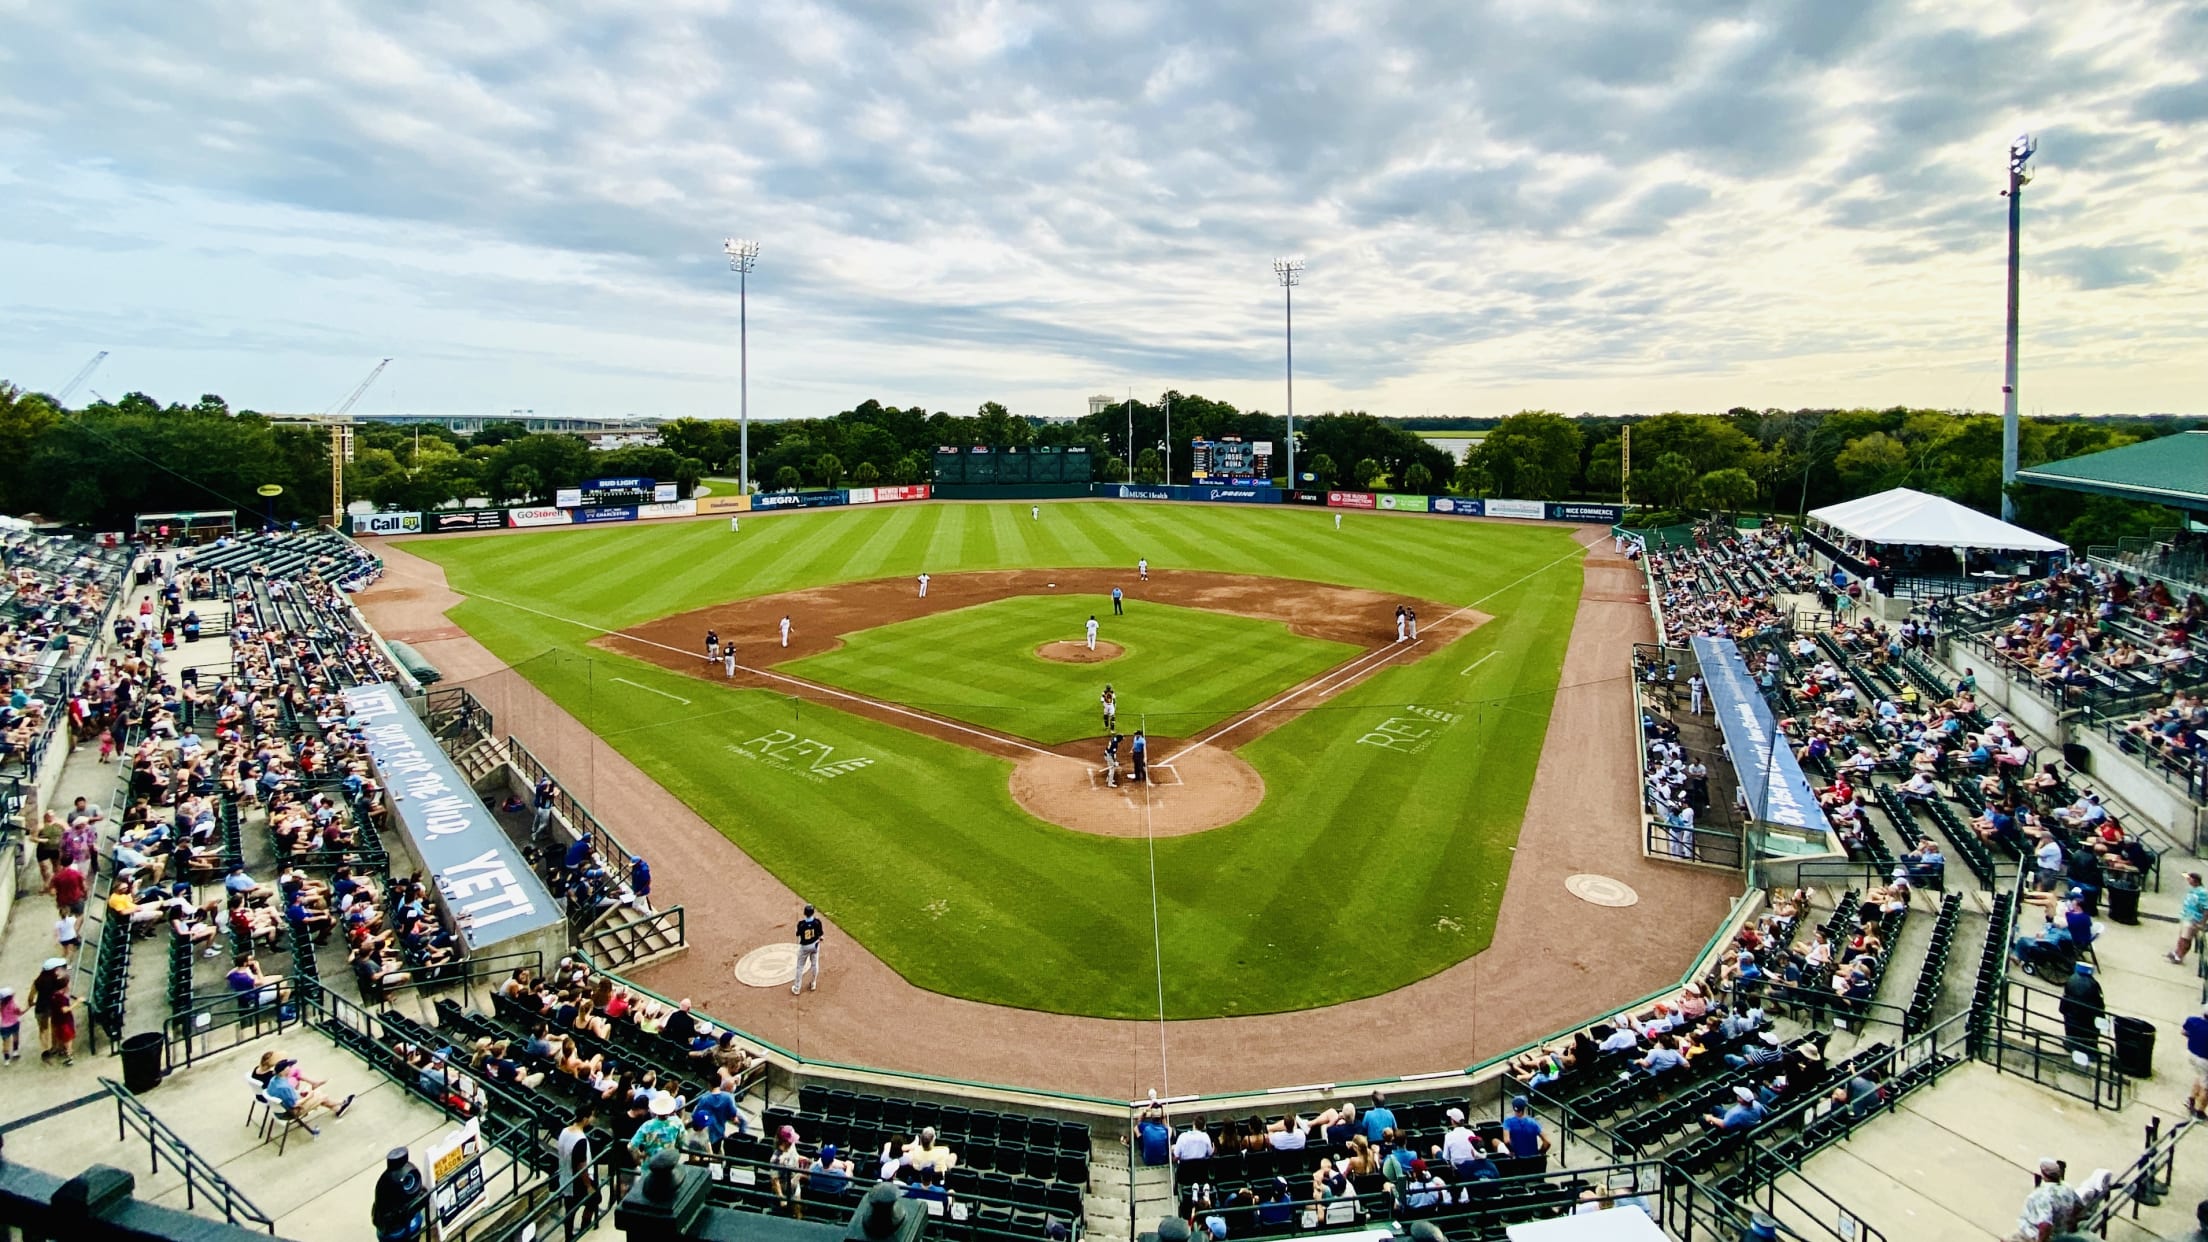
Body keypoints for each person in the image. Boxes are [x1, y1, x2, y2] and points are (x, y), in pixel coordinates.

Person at [2012, 1157, 2084, 1241]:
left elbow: (2045, 1225)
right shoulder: (2067, 1188)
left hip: (2034, 1235)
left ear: (2044, 1175)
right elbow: (2079, 1207)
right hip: (2059, 1232)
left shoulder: (2042, 1195)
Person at [372, 1148, 428, 1242]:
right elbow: (384, 1218)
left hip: (405, 1226)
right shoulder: (388, 1183)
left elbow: (421, 1193)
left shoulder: (407, 1176)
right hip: (393, 1230)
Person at [2061, 963, 2106, 1068]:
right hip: (2087, 1018)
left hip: (2071, 1016)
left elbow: (2065, 997)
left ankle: (2072, 1045)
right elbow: (2099, 1004)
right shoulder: (2093, 984)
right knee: (2088, 1035)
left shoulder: (2070, 980)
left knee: (2074, 1032)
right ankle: (2090, 1052)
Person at [630, 1093, 684, 1165]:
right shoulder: (678, 1124)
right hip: (669, 1163)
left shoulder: (647, 1125)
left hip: (650, 1164)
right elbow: (682, 1143)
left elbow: (631, 1146)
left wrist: (638, 1159)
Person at [2171, 872, 2208, 965]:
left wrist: (2202, 923)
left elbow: (2206, 908)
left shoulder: (2203, 893)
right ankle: (2177, 952)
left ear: (2195, 881)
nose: (2188, 881)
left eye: (2189, 879)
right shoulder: (2193, 890)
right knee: (2181, 937)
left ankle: (2180, 956)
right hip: (2186, 916)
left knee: (2186, 939)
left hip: (2193, 918)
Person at [793, 903, 824, 994]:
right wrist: (820, 937)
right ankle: (813, 983)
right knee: (815, 964)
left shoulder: (801, 924)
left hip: (805, 947)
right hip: (815, 945)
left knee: (800, 967)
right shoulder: (817, 922)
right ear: (813, 912)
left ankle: (797, 988)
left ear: (804, 913)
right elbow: (820, 934)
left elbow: (798, 934)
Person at [2186, 1006, 2208, 1120]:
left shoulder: (2193, 1021)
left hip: (2192, 1055)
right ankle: (2200, 1112)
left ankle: (2191, 1099)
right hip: (2205, 1060)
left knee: (2200, 1076)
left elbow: (2184, 1032)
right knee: (2207, 1088)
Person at [0, 986, 21, 1064]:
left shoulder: (1, 1005)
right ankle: (15, 1051)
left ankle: (6, 1060)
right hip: (14, 1023)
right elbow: (18, 1011)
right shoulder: (13, 1004)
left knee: (5, 1043)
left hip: (4, 1027)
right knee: (16, 1038)